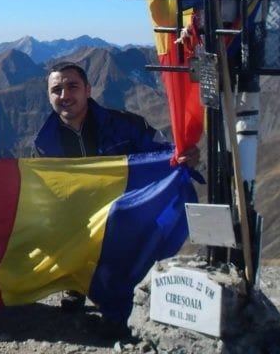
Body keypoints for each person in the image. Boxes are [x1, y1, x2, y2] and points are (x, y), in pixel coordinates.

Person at [33, 61, 199, 321]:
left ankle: (117, 302)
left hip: (121, 215)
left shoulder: (126, 125)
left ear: (88, 90)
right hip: (75, 217)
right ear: (48, 96)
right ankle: (75, 283)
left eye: (72, 86)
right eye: (56, 90)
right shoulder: (43, 142)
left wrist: (183, 156)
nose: (65, 95)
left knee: (117, 258)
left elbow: (163, 153)